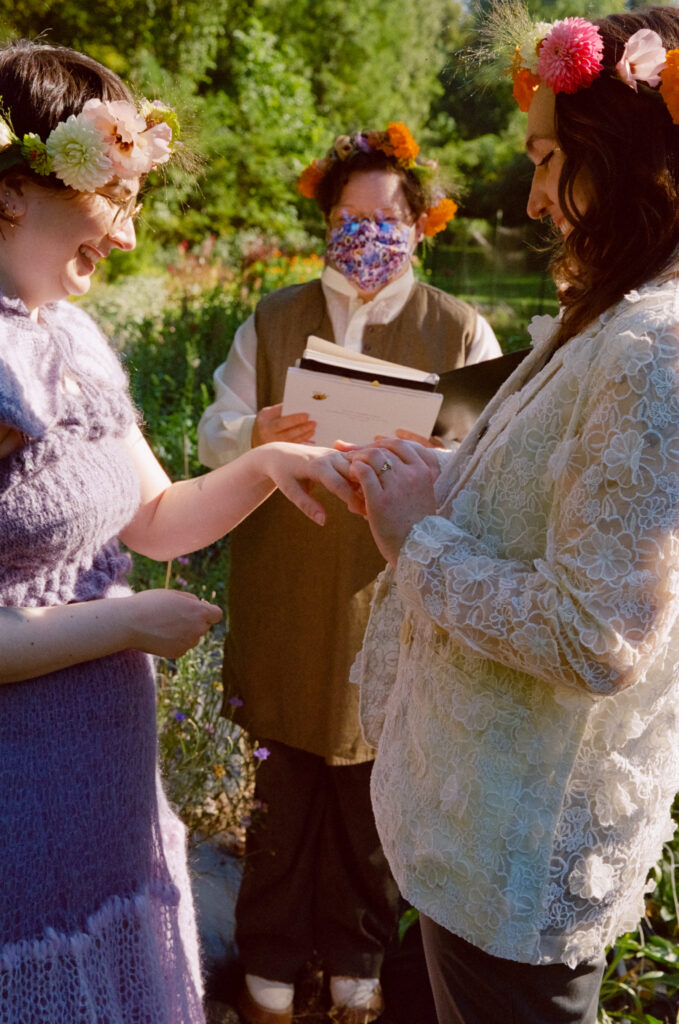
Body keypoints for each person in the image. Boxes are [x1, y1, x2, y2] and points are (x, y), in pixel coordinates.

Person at [324, 6, 679, 1023]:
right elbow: (558, 503)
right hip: (479, 838)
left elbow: (595, 633)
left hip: (517, 858)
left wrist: (414, 534)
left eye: (547, 159)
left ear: (625, 161)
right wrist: (443, 474)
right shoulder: (609, 318)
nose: (530, 199)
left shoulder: (652, 353)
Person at [0, 39, 354, 1024]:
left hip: (105, 814)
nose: (126, 235)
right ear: (15, 191)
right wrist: (125, 625)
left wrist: (264, 468)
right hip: (19, 831)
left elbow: (152, 515)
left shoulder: (66, 335)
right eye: (114, 195)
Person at [197, 127, 500, 1024]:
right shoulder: (275, 315)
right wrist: (254, 434)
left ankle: (361, 965)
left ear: (419, 226)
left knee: (372, 790)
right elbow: (218, 424)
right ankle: (270, 971)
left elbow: (481, 458)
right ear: (326, 222)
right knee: (282, 788)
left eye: (384, 219)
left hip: (384, 587)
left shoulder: (456, 326)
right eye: (348, 218)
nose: (366, 235)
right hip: (285, 578)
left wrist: (433, 453)